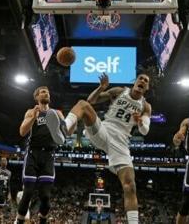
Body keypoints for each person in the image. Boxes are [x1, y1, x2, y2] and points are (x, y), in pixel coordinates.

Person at [46, 73, 152, 224]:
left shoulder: (146, 106)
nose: (142, 81)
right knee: (83, 104)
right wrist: (101, 88)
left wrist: (140, 122)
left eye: (146, 81)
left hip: (121, 142)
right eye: (140, 78)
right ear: (135, 82)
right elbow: (91, 100)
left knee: (130, 186)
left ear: (147, 87)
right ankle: (64, 129)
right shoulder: (120, 91)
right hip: (104, 130)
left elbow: (144, 131)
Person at [16, 86, 64, 224]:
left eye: (48, 92)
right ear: (36, 97)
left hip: (48, 155)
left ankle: (43, 220)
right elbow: (22, 132)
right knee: (28, 192)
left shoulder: (57, 113)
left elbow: (66, 132)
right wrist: (33, 118)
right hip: (33, 154)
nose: (46, 93)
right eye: (43, 92)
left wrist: (65, 126)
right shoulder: (31, 112)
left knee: (45, 196)